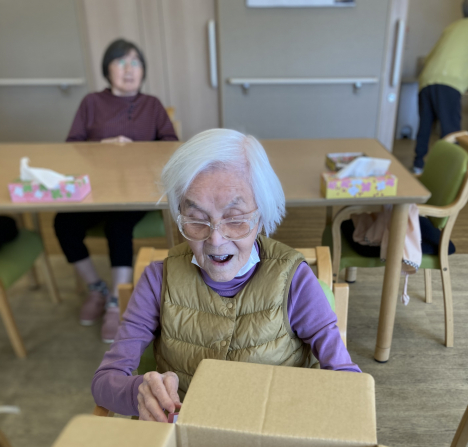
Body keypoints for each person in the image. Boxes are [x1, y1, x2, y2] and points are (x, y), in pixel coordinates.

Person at [92, 129, 361, 421]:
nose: (216, 239)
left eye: (235, 219)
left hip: (272, 430)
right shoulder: (158, 280)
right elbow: (105, 382)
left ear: (261, 216)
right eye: (196, 219)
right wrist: (139, 393)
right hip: (185, 433)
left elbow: (346, 380)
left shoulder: (294, 279)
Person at [54, 39, 177, 343]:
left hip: (138, 190)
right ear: (107, 70)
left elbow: (171, 146)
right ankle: (96, 287)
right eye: (121, 62)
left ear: (143, 70)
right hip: (95, 191)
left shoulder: (152, 105)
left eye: (135, 62)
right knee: (63, 223)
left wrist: (137, 150)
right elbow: (71, 147)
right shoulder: (91, 102)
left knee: (118, 226)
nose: (129, 69)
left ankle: (115, 300)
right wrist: (100, 147)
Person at [413, 0, 468, 174]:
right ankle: (449, 173)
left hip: (427, 80)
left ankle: (418, 165)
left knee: (425, 125)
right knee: (451, 131)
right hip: (448, 82)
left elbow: (430, 57)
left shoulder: (451, 27)